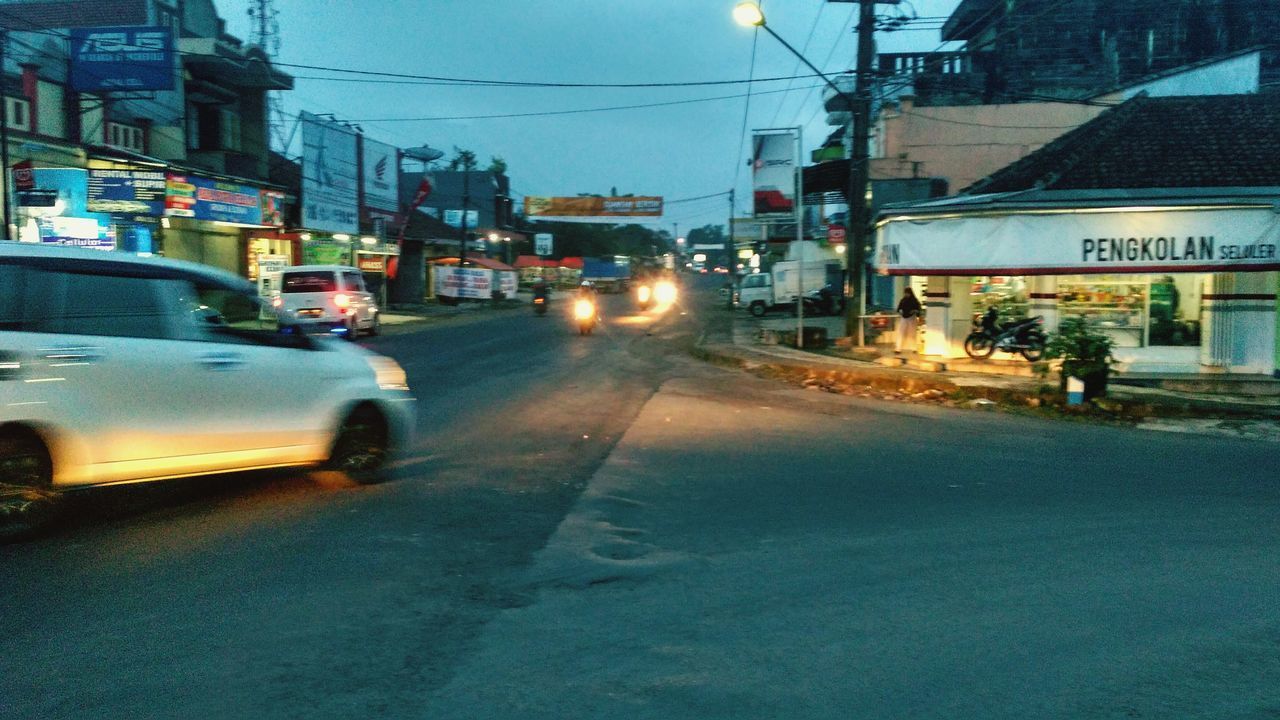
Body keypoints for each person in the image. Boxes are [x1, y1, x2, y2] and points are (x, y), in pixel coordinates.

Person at [896, 287, 922, 353]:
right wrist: (900, 311)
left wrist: (915, 312)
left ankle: (914, 348)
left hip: (911, 318)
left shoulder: (914, 300)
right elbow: (899, 308)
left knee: (912, 334)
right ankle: (898, 348)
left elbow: (918, 309)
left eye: (907, 293)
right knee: (901, 333)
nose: (906, 294)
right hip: (904, 317)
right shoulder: (903, 300)